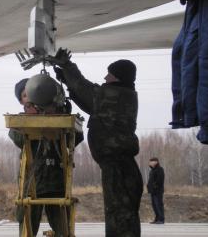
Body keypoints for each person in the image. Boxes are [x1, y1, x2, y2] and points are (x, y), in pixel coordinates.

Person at [49, 49, 143, 237]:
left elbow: (85, 89)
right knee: (121, 216)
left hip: (119, 169)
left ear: (117, 78)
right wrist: (67, 79)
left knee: (120, 218)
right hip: (120, 168)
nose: (105, 77)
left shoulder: (116, 95)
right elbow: (90, 101)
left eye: (109, 74)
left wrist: (67, 66)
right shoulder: (118, 97)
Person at [9, 76, 83, 237]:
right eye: (24, 95)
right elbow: (19, 139)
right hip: (31, 183)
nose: (29, 98)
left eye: (30, 93)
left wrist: (56, 116)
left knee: (64, 228)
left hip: (56, 181)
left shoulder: (57, 115)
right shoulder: (19, 122)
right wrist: (32, 121)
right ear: (21, 102)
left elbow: (76, 137)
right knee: (27, 228)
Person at [147, 157, 165, 224]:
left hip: (158, 191)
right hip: (152, 191)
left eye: (151, 161)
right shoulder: (152, 170)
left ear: (156, 162)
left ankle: (161, 219)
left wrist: (155, 186)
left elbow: (160, 180)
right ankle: (157, 219)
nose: (150, 163)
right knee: (154, 205)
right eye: (150, 161)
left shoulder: (160, 169)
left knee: (159, 205)